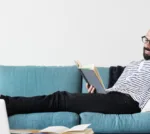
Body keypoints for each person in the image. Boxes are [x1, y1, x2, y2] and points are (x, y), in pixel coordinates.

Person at [2, 29, 150, 116]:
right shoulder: (134, 64)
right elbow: (117, 92)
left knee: (60, 98)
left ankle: (6, 104)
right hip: (114, 98)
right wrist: (99, 93)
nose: (147, 44)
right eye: (145, 39)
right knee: (61, 98)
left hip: (128, 103)